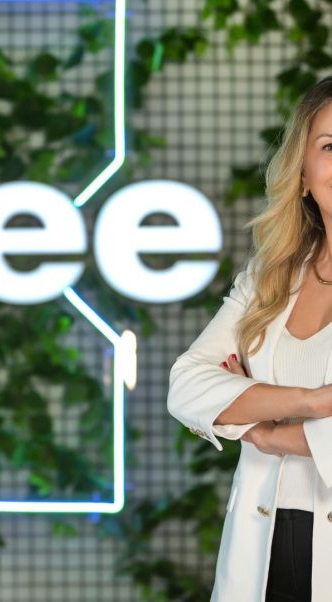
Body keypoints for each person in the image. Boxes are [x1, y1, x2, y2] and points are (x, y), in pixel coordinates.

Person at [167, 75, 332, 602]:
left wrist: (266, 431)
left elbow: (225, 405)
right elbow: (187, 385)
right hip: (260, 551)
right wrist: (312, 402)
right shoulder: (270, 275)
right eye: (330, 147)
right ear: (302, 173)